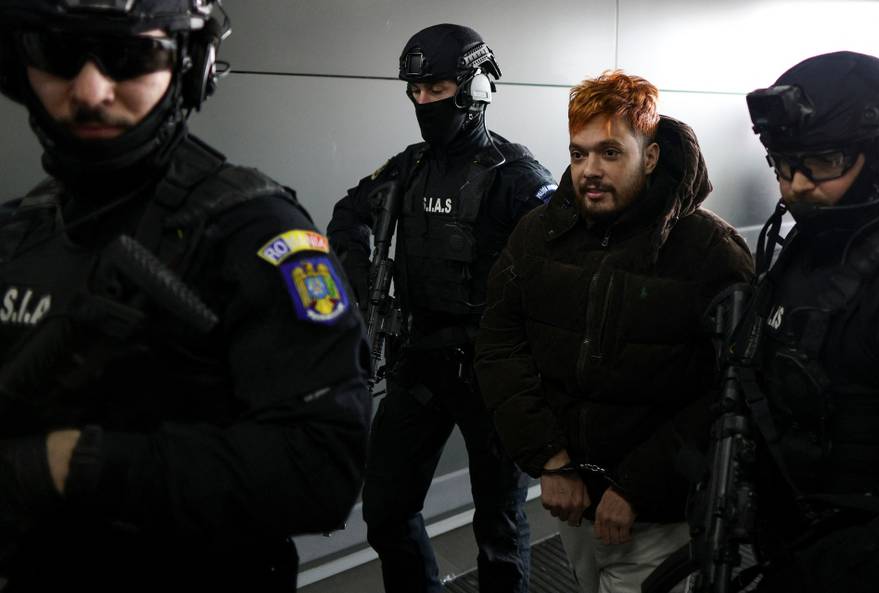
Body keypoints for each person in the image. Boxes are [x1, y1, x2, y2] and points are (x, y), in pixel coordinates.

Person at [0, 1, 370, 591]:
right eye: (60, 54)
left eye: (130, 55)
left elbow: (322, 468)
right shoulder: (20, 230)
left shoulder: (254, 231)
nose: (91, 90)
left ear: (191, 65)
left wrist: (74, 464)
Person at [473, 70, 754, 593]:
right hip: (570, 498)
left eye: (609, 153)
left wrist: (639, 487)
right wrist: (550, 462)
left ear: (649, 156)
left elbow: (732, 387)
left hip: (657, 513)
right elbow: (499, 345)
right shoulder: (540, 233)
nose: (589, 171)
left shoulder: (711, 250)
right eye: (579, 154)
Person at [327, 23, 556, 593]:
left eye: (438, 88)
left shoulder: (517, 177)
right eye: (415, 91)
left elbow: (561, 266)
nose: (424, 101)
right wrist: (363, 291)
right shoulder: (409, 167)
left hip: (492, 372)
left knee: (498, 526)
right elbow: (347, 215)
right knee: (384, 508)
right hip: (420, 362)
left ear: (476, 85)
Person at [736, 51, 879, 592]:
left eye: (822, 161)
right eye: (783, 163)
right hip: (790, 537)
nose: (797, 185)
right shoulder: (804, 244)